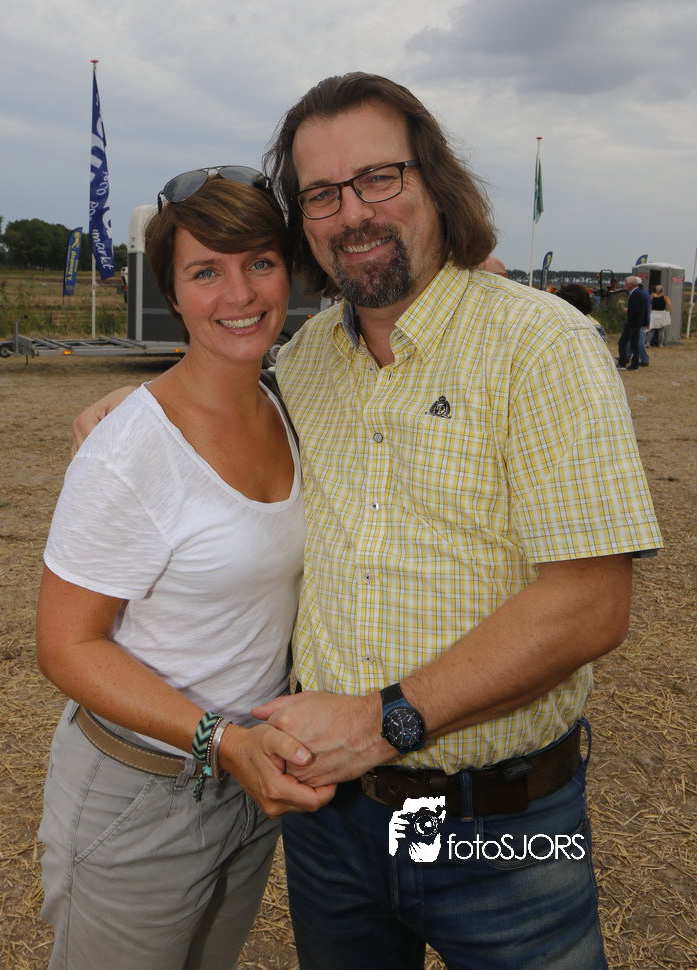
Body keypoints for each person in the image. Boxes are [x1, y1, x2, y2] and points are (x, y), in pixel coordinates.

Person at [73, 74, 661, 969]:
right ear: (303, 221)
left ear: (435, 181)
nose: (352, 212)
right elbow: (221, 396)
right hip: (332, 826)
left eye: (378, 178)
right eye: (321, 193)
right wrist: (141, 406)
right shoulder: (308, 359)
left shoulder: (542, 345)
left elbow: (590, 605)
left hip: (500, 829)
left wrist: (386, 722)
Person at [37, 169, 333, 970]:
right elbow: (66, 646)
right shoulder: (129, 450)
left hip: (249, 781)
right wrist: (219, 739)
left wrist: (241, 750)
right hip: (141, 789)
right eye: (206, 271)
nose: (239, 293)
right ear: (171, 292)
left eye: (259, 262)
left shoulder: (290, 404)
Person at [617, 274, 651, 370]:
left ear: (632, 284)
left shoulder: (636, 294)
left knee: (623, 342)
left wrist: (629, 319)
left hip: (633, 323)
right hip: (639, 323)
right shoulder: (641, 293)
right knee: (634, 343)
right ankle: (634, 364)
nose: (625, 284)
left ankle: (622, 362)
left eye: (626, 282)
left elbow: (636, 310)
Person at [647, 282, 672, 347]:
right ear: (662, 290)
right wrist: (669, 312)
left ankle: (647, 343)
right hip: (662, 313)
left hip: (653, 313)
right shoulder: (665, 297)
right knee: (661, 331)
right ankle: (660, 344)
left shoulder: (652, 297)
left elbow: (649, 305)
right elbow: (669, 304)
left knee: (651, 329)